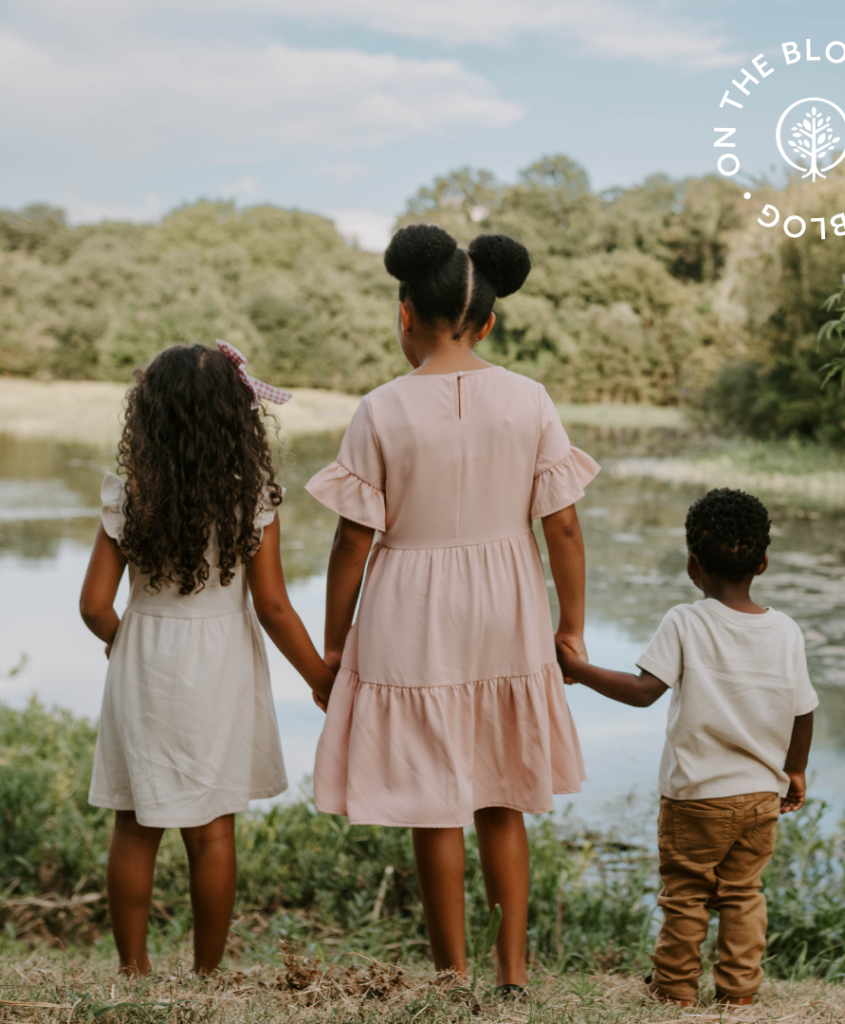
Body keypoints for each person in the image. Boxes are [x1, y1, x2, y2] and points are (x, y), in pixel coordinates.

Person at [305, 224, 599, 994]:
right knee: (503, 793)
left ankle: (451, 976)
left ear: (405, 315)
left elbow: (350, 542)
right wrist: (570, 624)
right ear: (491, 319)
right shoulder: (530, 400)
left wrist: (334, 645)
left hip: (409, 606)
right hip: (507, 600)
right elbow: (562, 524)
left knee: (433, 802)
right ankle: (512, 975)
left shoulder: (380, 409)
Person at [79, 341, 335, 976]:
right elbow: (274, 607)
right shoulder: (253, 499)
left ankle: (133, 968)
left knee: (135, 824)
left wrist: (125, 641)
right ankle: (208, 973)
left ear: (149, 415)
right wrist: (321, 678)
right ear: (236, 419)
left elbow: (91, 604)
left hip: (145, 660)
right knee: (213, 829)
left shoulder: (128, 494)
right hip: (219, 663)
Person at [557, 488, 816, 1008]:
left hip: (696, 796)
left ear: (692, 565)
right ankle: (738, 995)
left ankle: (675, 991)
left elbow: (642, 692)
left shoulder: (685, 620)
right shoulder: (785, 630)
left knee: (686, 895)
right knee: (743, 895)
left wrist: (578, 671)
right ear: (763, 562)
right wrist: (796, 772)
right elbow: (804, 710)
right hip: (760, 797)